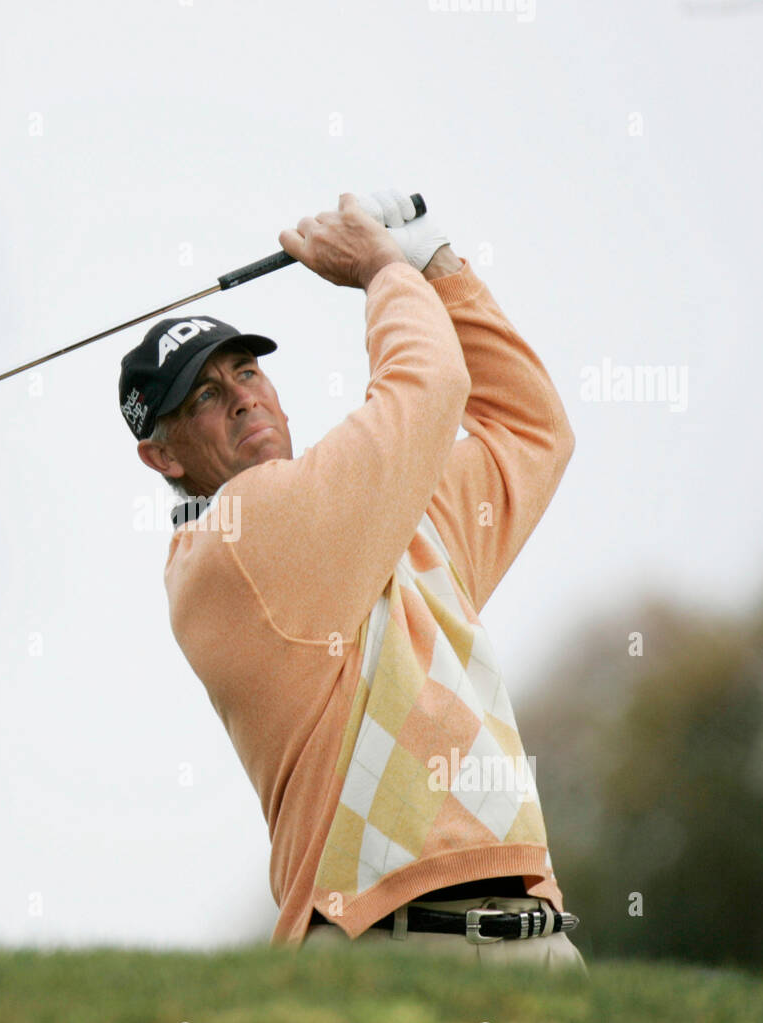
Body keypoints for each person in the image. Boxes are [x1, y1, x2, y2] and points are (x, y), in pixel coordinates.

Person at [118, 191, 585, 972]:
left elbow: (532, 427)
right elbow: (427, 390)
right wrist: (381, 270)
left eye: (246, 371)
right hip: (390, 948)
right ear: (164, 458)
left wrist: (439, 267)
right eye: (204, 396)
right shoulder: (230, 541)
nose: (242, 396)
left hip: (535, 937)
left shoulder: (387, 522)